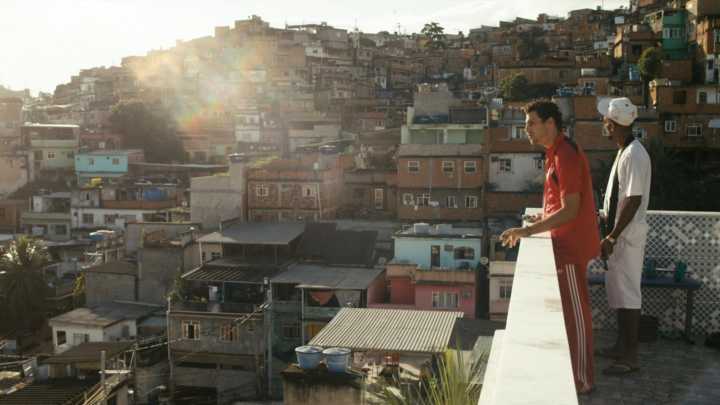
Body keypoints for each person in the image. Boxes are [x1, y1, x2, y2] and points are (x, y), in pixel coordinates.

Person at [500, 100, 599, 395]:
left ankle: (583, 379)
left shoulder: (565, 155)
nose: (526, 129)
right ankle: (578, 374)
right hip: (562, 243)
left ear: (550, 124)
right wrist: (541, 217)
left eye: (531, 123)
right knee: (570, 312)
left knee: (576, 315)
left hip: (570, 247)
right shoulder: (555, 154)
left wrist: (528, 230)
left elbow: (571, 209)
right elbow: (558, 202)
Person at [596, 97, 651, 376]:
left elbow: (633, 200)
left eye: (606, 119)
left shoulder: (633, 154)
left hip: (626, 239)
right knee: (620, 293)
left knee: (629, 297)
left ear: (613, 123)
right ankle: (621, 347)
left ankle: (630, 357)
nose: (603, 123)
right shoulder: (625, 151)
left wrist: (613, 236)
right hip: (620, 237)